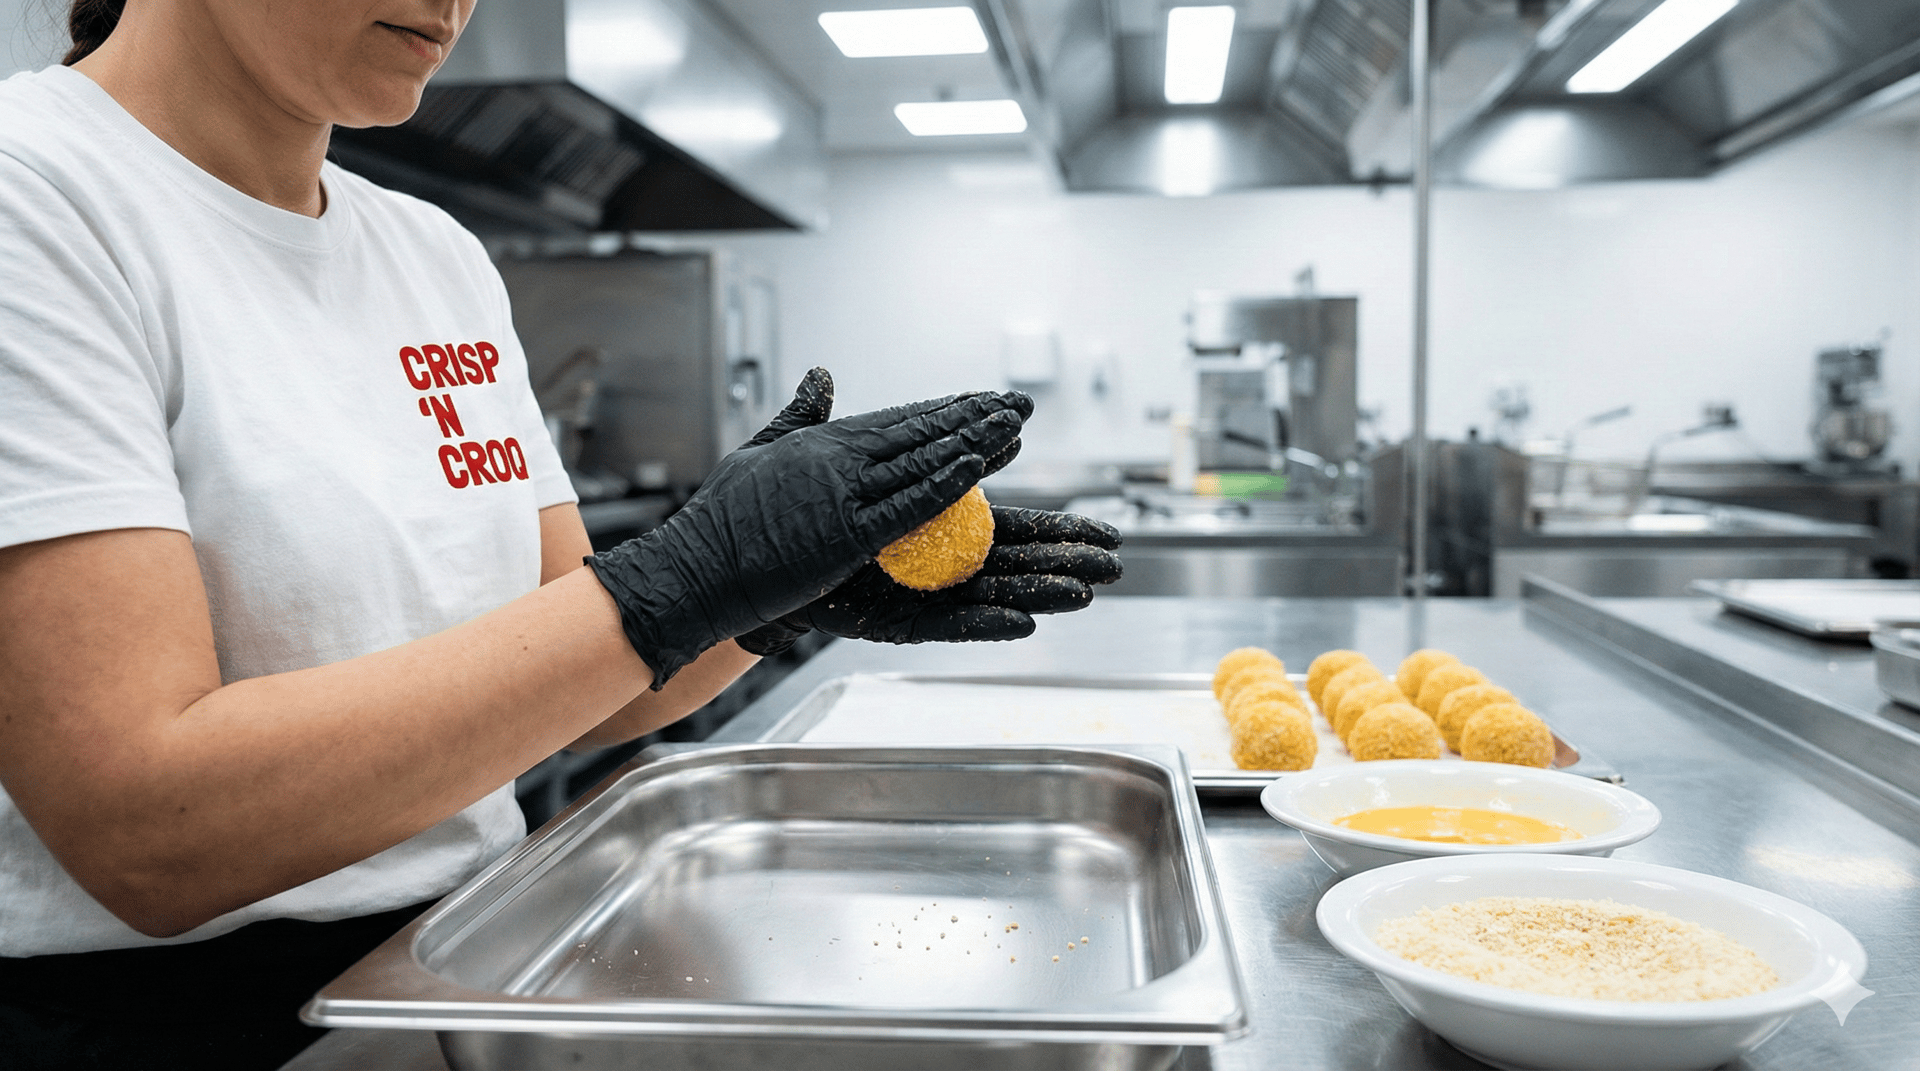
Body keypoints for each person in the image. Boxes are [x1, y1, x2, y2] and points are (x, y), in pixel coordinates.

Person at [0, 3, 1123, 1068]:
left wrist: (768, 599)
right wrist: (689, 576)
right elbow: (147, 829)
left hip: (456, 964)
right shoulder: (38, 198)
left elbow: (592, 691)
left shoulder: (434, 255)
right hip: (167, 1023)